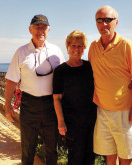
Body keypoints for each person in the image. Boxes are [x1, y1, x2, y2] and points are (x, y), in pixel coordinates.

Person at [5, 14, 65, 165]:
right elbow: (11, 81)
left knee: (52, 148)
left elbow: (65, 78)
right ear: (30, 29)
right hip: (29, 105)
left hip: (52, 106)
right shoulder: (21, 52)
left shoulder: (56, 51)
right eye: (37, 27)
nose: (40, 30)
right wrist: (7, 106)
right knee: (28, 148)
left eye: (43, 27)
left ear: (49, 30)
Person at [88, 6, 132, 165]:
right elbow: (91, 74)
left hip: (125, 112)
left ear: (116, 22)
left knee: (126, 157)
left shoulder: (126, 44)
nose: (103, 24)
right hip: (103, 111)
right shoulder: (93, 47)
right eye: (99, 20)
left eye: (108, 20)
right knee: (109, 156)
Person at [53, 30, 96, 165]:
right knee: (75, 157)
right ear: (67, 47)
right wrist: (61, 122)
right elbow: (57, 98)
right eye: (73, 45)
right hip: (72, 121)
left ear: (84, 48)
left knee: (90, 156)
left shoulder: (90, 67)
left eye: (80, 46)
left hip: (91, 120)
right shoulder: (61, 70)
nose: (76, 49)